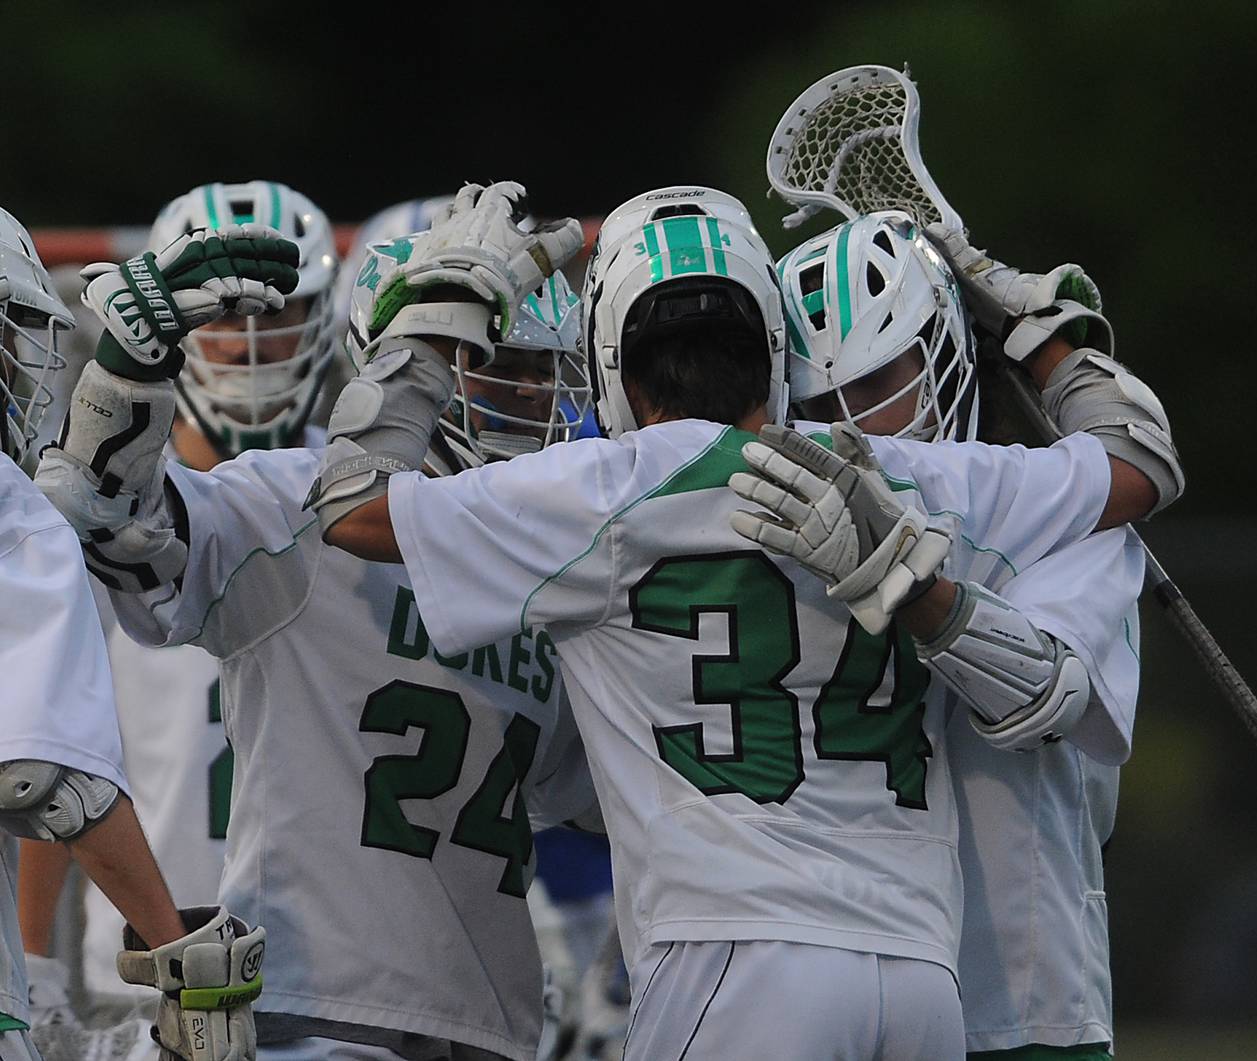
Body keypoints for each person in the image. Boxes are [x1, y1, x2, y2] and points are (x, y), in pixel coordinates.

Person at [307, 182, 1159, 1058]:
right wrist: (1047, 334)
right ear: (774, 337)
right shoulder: (903, 472)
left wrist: (431, 319)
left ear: (609, 356)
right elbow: (1138, 459)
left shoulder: (597, 488)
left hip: (732, 953)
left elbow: (350, 502)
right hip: (919, 969)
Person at [36, 186, 596, 1061]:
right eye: (493, 365)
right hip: (311, 1005)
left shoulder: (545, 559)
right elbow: (116, 524)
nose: (527, 396)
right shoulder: (293, 503)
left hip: (488, 1016)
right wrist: (126, 372)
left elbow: (591, 795)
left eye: (541, 370)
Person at [771, 209, 1180, 1059]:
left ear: (947, 355)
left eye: (883, 382)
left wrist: (909, 583)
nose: (857, 423)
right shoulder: (775, 525)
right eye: (821, 401)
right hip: (838, 989)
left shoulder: (1067, 520)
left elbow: (1040, 694)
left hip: (1020, 1004)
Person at [17, 180, 340, 1020]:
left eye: (277, 314)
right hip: (160, 945)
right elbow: (51, 740)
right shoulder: (89, 509)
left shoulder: (357, 495)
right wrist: (35, 954)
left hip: (335, 951)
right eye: (226, 318)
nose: (250, 346)